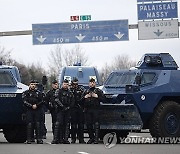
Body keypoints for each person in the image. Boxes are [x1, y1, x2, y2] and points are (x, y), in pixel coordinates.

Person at [51, 79, 74, 144]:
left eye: (67, 84)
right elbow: (56, 99)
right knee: (58, 124)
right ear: (62, 84)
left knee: (67, 124)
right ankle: (55, 139)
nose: (66, 85)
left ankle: (65, 139)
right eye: (64, 84)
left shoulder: (70, 92)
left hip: (67, 110)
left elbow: (72, 101)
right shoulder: (58, 91)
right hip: (60, 110)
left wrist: (68, 107)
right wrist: (62, 107)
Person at [84, 78, 105, 144]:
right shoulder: (86, 91)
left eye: (93, 82)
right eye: (91, 82)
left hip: (96, 109)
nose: (92, 84)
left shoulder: (98, 91)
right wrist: (85, 97)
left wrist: (97, 97)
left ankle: (96, 139)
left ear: (95, 83)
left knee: (96, 124)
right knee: (88, 124)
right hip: (88, 109)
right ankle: (91, 138)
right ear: (89, 84)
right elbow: (80, 101)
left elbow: (104, 99)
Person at [22, 80, 44, 144]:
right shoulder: (26, 93)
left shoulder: (39, 93)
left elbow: (42, 101)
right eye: (32, 84)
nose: (33, 85)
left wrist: (36, 105)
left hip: (37, 110)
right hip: (29, 110)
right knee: (29, 125)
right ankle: (29, 139)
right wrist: (31, 106)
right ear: (29, 85)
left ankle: (39, 139)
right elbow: (24, 101)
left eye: (34, 84)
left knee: (38, 124)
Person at [70, 77, 86, 144]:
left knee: (81, 125)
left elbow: (84, 98)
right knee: (73, 125)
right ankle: (73, 139)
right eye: (74, 83)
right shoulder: (70, 90)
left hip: (80, 108)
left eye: (76, 83)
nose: (75, 85)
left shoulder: (81, 89)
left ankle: (81, 139)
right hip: (73, 108)